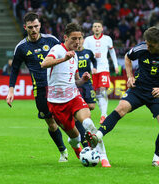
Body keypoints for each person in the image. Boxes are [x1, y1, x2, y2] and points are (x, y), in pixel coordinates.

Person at [85, 26, 159, 168]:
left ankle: (157, 159)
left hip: (157, 92)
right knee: (121, 108)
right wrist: (130, 76)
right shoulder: (141, 48)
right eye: (146, 43)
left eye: (151, 45)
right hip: (138, 88)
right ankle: (97, 137)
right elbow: (127, 57)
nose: (147, 47)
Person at [41, 22, 111, 167]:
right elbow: (44, 63)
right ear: (66, 37)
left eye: (79, 38)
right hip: (56, 102)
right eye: (74, 38)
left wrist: (83, 80)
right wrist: (64, 59)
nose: (77, 42)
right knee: (75, 137)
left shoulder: (75, 56)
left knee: (88, 123)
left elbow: (75, 80)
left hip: (73, 97)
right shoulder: (58, 49)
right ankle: (76, 147)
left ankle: (103, 157)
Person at [6, 12, 68, 162]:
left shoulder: (52, 40)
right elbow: (14, 69)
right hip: (39, 89)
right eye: (30, 27)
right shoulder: (21, 47)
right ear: (25, 27)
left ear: (40, 25)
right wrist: (11, 90)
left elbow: (66, 56)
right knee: (50, 122)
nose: (33, 30)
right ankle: (63, 151)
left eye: (36, 26)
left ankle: (80, 145)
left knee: (67, 118)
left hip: (57, 85)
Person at [83, 21, 119, 124]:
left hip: (104, 68)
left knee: (102, 90)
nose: (97, 28)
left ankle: (103, 115)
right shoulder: (88, 40)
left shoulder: (107, 39)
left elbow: (112, 52)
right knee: (96, 93)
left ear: (102, 28)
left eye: (99, 26)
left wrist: (116, 66)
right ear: (92, 29)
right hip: (92, 69)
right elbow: (85, 54)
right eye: (95, 26)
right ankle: (103, 112)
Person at [75, 35, 97, 148]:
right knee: (79, 106)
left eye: (80, 39)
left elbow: (94, 60)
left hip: (88, 83)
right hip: (78, 83)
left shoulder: (88, 52)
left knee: (92, 106)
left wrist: (94, 68)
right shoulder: (73, 53)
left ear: (83, 40)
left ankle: (81, 117)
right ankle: (81, 119)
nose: (79, 42)